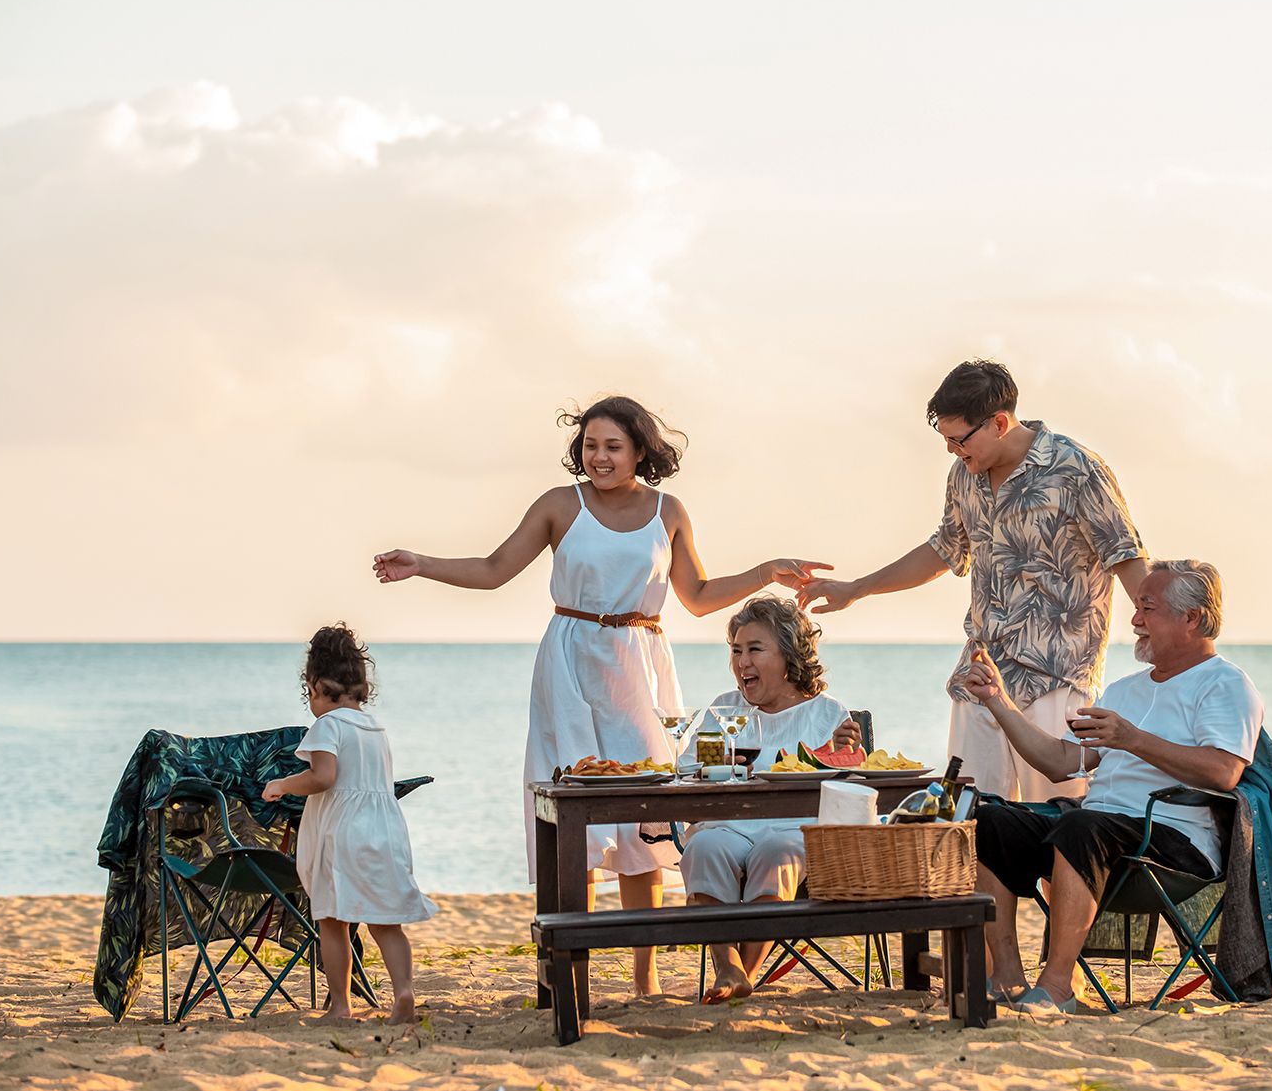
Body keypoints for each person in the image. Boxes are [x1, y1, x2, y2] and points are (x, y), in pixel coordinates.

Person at [372, 395, 826, 996]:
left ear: (640, 449)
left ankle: (646, 979)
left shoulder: (669, 510)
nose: (599, 456)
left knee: (648, 820)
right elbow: (493, 567)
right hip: (570, 660)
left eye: (613, 446)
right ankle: (572, 980)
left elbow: (698, 594)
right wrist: (422, 563)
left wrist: (767, 569)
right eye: (590, 445)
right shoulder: (561, 504)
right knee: (576, 822)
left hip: (641, 662)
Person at [797, 358, 1148, 802]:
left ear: (999, 422)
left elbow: (1126, 556)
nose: (951, 450)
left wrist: (1171, 646)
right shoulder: (964, 475)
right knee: (970, 822)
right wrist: (856, 589)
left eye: (958, 439)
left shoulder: (1077, 470)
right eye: (944, 439)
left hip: (1058, 678)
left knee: (1059, 824)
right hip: (981, 676)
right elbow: (942, 550)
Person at [962, 560, 1264, 1013]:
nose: (1135, 620)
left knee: (1082, 824)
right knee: (987, 818)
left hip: (1173, 843)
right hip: (1095, 834)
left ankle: (1059, 985)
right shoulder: (1124, 690)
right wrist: (998, 702)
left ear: (1192, 618)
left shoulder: (1225, 685)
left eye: (1148, 608)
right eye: (1137, 608)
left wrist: (1132, 739)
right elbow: (1061, 762)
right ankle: (1005, 977)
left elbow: (1223, 772)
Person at [680, 596, 862, 1004]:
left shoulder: (825, 714)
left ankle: (744, 972)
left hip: (795, 830)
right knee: (705, 847)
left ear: (788, 655)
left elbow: (848, 786)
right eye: (736, 650)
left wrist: (845, 752)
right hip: (728, 825)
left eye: (755, 650)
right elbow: (695, 771)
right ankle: (728, 966)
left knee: (777, 852)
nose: (742, 662)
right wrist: (716, 763)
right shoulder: (726, 709)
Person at [262, 624, 438, 1024]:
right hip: (384, 831)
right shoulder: (375, 727)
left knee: (333, 920)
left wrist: (283, 785)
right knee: (384, 920)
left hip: (342, 835)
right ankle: (404, 993)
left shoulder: (327, 726)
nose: (311, 701)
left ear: (319, 685)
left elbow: (323, 777)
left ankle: (341, 1006)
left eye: (309, 692)